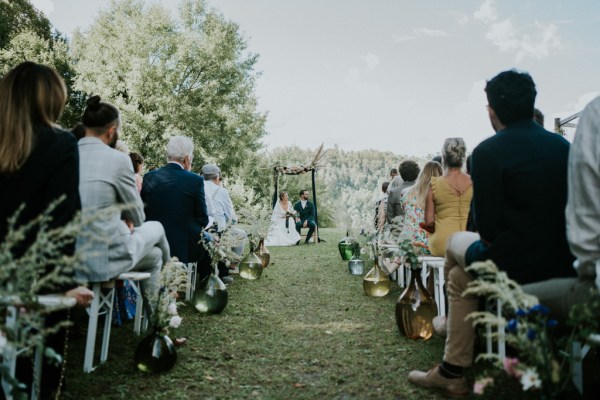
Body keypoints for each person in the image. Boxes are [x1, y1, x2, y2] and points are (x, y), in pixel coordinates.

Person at [408, 70, 575, 397]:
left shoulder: (488, 153)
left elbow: (484, 232)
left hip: (507, 267)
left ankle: (446, 333)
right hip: (559, 265)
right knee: (460, 278)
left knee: (457, 249)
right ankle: (451, 369)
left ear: (491, 111)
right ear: (531, 103)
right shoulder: (564, 149)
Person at [0, 61, 93, 398]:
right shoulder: (60, 144)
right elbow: (62, 224)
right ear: (52, 101)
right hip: (24, 281)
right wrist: (64, 289)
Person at [77, 96, 170, 318]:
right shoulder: (118, 161)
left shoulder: (65, 154)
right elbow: (138, 216)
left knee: (156, 256)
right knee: (156, 227)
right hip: (105, 257)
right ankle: (164, 315)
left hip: (71, 255)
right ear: (111, 131)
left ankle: (163, 318)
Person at [522, 96, 600, 323]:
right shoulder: (562, 146)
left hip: (588, 284)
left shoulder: (594, 114)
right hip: (558, 255)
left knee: (515, 299)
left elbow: (585, 239)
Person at [140, 135, 212, 280]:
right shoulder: (195, 180)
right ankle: (205, 280)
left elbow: (143, 213)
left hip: (154, 242)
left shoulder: (148, 177)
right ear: (187, 159)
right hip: (184, 246)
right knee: (209, 239)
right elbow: (203, 219)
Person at [421, 138, 472, 257]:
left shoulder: (434, 184)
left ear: (443, 158)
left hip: (443, 244)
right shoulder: (475, 182)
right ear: (463, 157)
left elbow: (429, 222)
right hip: (469, 243)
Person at [202, 163, 247, 280]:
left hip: (199, 229)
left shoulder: (197, 187)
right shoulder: (222, 191)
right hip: (217, 231)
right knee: (240, 234)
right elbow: (230, 216)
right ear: (217, 177)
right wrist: (232, 221)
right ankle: (228, 269)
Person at [399, 161, 443, 253]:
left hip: (407, 241)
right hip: (430, 243)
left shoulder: (406, 193)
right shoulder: (441, 194)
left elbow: (405, 212)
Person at [386, 160, 420, 226]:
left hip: (399, 231)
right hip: (418, 232)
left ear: (401, 174)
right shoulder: (423, 191)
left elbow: (390, 219)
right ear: (417, 173)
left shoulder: (393, 192)